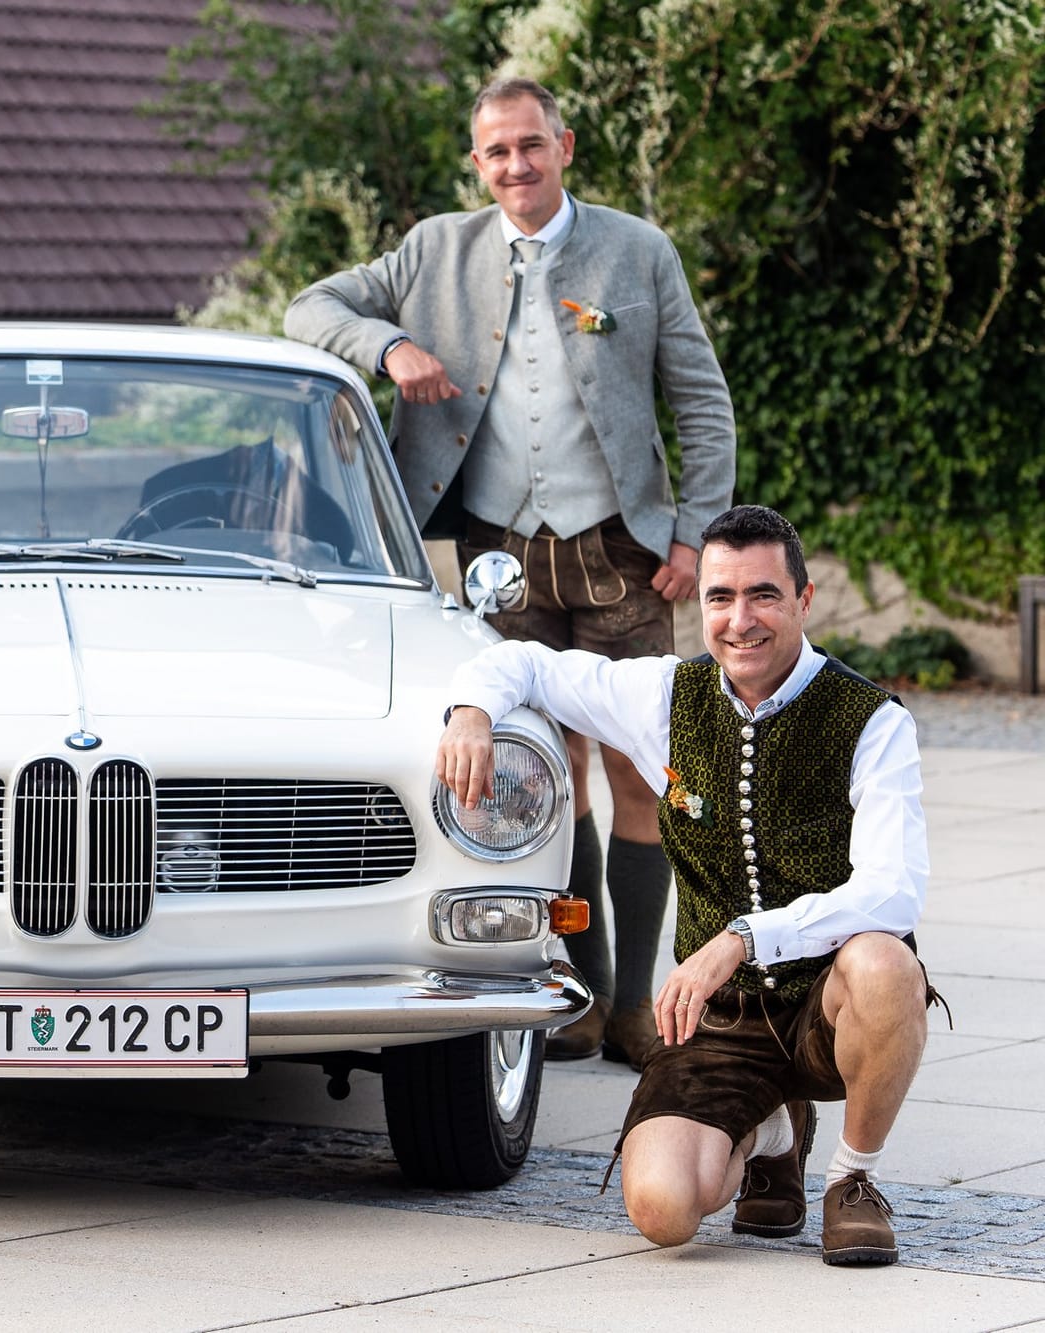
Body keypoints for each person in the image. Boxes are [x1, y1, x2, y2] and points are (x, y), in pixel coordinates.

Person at [285, 78, 736, 1067]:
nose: (514, 166)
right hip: (496, 558)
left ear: (563, 146)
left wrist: (693, 535)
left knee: (634, 764)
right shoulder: (429, 252)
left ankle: (637, 1006)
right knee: (547, 764)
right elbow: (305, 309)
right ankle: (584, 992)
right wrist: (389, 343)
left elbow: (702, 404)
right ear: (476, 162)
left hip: (621, 548)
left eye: (530, 146)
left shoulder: (634, 252)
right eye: (495, 153)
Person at [435, 504, 937, 1265]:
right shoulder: (666, 696)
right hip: (720, 1021)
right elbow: (529, 663)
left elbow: (895, 890)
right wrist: (471, 713)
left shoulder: (871, 721)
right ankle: (773, 1130)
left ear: (804, 600)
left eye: (764, 594)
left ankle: (852, 1179)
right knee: (664, 1210)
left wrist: (743, 938)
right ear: (697, 604)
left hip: (827, 1004)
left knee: (886, 962)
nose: (742, 620)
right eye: (720, 597)